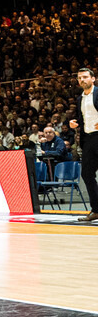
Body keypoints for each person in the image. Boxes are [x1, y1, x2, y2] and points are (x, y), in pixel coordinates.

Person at [69, 67, 98, 223]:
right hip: (88, 139)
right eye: (80, 78)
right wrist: (75, 123)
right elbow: (83, 119)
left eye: (85, 77)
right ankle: (96, 210)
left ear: (93, 79)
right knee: (86, 174)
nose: (82, 80)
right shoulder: (80, 98)